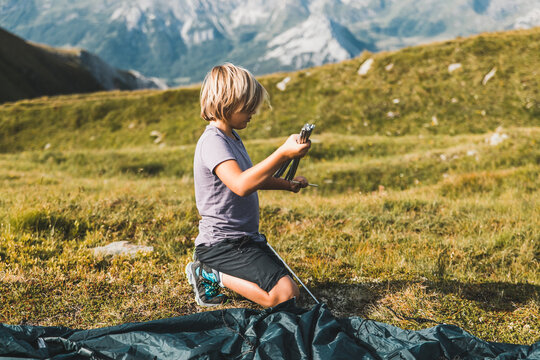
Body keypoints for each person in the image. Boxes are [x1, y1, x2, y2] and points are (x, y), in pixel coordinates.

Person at [185, 63, 311, 307]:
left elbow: (250, 178)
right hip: (222, 245)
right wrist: (283, 153)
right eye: (247, 107)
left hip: (245, 239)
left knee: (291, 290)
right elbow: (241, 185)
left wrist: (287, 184)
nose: (253, 112)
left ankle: (218, 271)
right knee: (286, 297)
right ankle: (209, 272)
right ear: (227, 103)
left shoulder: (231, 136)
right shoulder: (212, 141)